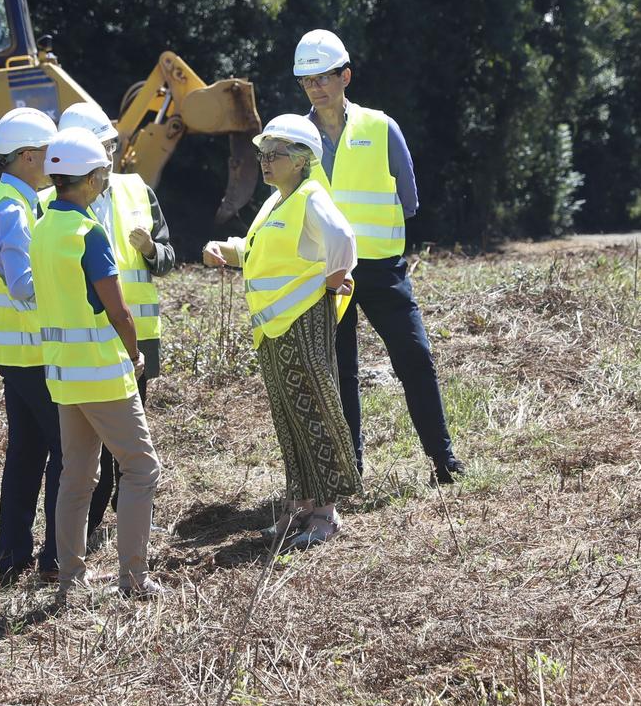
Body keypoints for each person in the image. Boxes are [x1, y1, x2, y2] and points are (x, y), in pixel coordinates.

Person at [292, 29, 466, 485]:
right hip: (325, 274)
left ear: (345, 76)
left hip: (381, 269)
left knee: (415, 357)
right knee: (340, 372)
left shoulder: (381, 127)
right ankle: (352, 470)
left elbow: (409, 201)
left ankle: (443, 461)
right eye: (307, 80)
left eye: (325, 77)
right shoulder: (294, 139)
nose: (316, 87)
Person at [203, 113, 360, 548]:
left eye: (275, 154)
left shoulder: (310, 196)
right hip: (274, 330)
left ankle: (325, 514)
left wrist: (332, 282)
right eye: (263, 154)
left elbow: (344, 240)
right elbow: (263, 252)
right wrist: (229, 251)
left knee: (314, 411)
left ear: (303, 159)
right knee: (290, 418)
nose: (266, 161)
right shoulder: (277, 202)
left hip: (303, 323)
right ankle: (301, 506)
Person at [31, 126, 166, 600]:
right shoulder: (89, 232)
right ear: (88, 179)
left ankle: (70, 580)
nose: (107, 181)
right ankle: (133, 577)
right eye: (103, 174)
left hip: (64, 374)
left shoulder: (44, 227)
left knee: (77, 475)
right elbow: (118, 310)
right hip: (104, 373)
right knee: (142, 467)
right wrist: (134, 354)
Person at [58, 100, 176, 541]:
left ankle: (126, 519)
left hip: (135, 337)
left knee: (131, 438)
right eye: (100, 148)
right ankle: (89, 526)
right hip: (83, 342)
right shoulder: (53, 204)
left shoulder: (138, 190)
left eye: (110, 146)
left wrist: (150, 250)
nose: (108, 156)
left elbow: (166, 258)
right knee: (88, 447)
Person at [0, 106, 63, 583]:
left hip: (16, 353)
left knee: (27, 452)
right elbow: (24, 286)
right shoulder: (13, 208)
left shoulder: (5, 201)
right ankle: (55, 558)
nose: (57, 160)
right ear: (29, 157)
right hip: (31, 353)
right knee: (65, 450)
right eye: (51, 153)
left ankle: (12, 557)